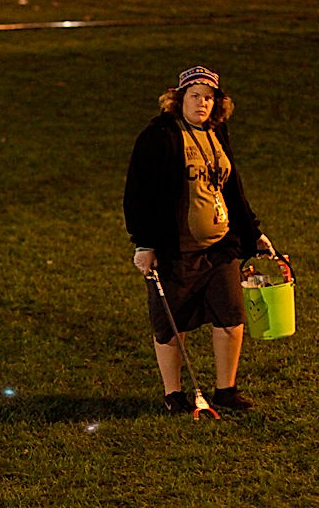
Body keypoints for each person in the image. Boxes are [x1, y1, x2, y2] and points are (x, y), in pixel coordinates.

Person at [124, 65, 275, 415]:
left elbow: (232, 190)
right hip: (174, 251)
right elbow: (137, 194)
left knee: (231, 317)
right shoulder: (159, 136)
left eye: (209, 98)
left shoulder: (217, 132)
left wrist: (254, 234)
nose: (202, 104)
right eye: (195, 96)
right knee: (170, 325)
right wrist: (144, 244)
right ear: (179, 100)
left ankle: (226, 390)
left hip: (220, 248)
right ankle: (174, 394)